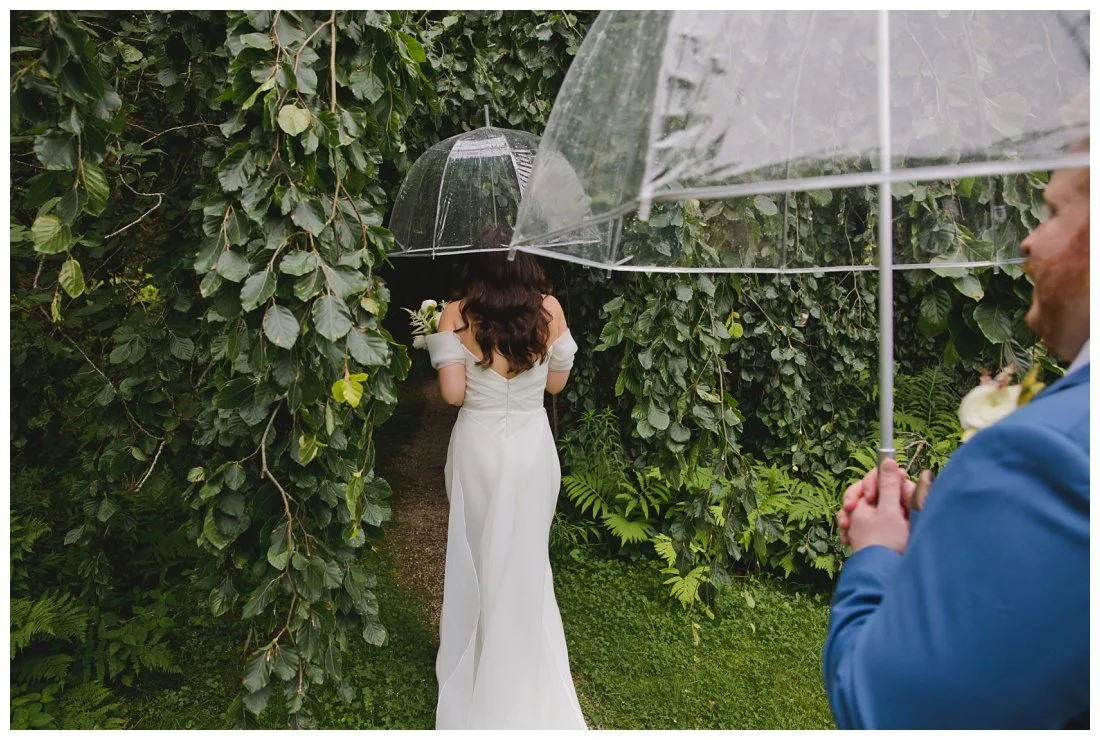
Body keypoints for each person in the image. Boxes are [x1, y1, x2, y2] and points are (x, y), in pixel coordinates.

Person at [823, 152, 1090, 729]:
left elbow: (888, 710)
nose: (1029, 241)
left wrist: (876, 555)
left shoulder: (1050, 455)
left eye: (1052, 212)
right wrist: (939, 522)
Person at [424, 227, 587, 730]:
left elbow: (453, 396)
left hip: (479, 450)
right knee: (525, 557)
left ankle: (480, 664)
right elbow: (556, 383)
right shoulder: (549, 309)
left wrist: (446, 343)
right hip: (532, 449)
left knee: (478, 556)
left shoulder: (458, 313)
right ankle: (521, 661)